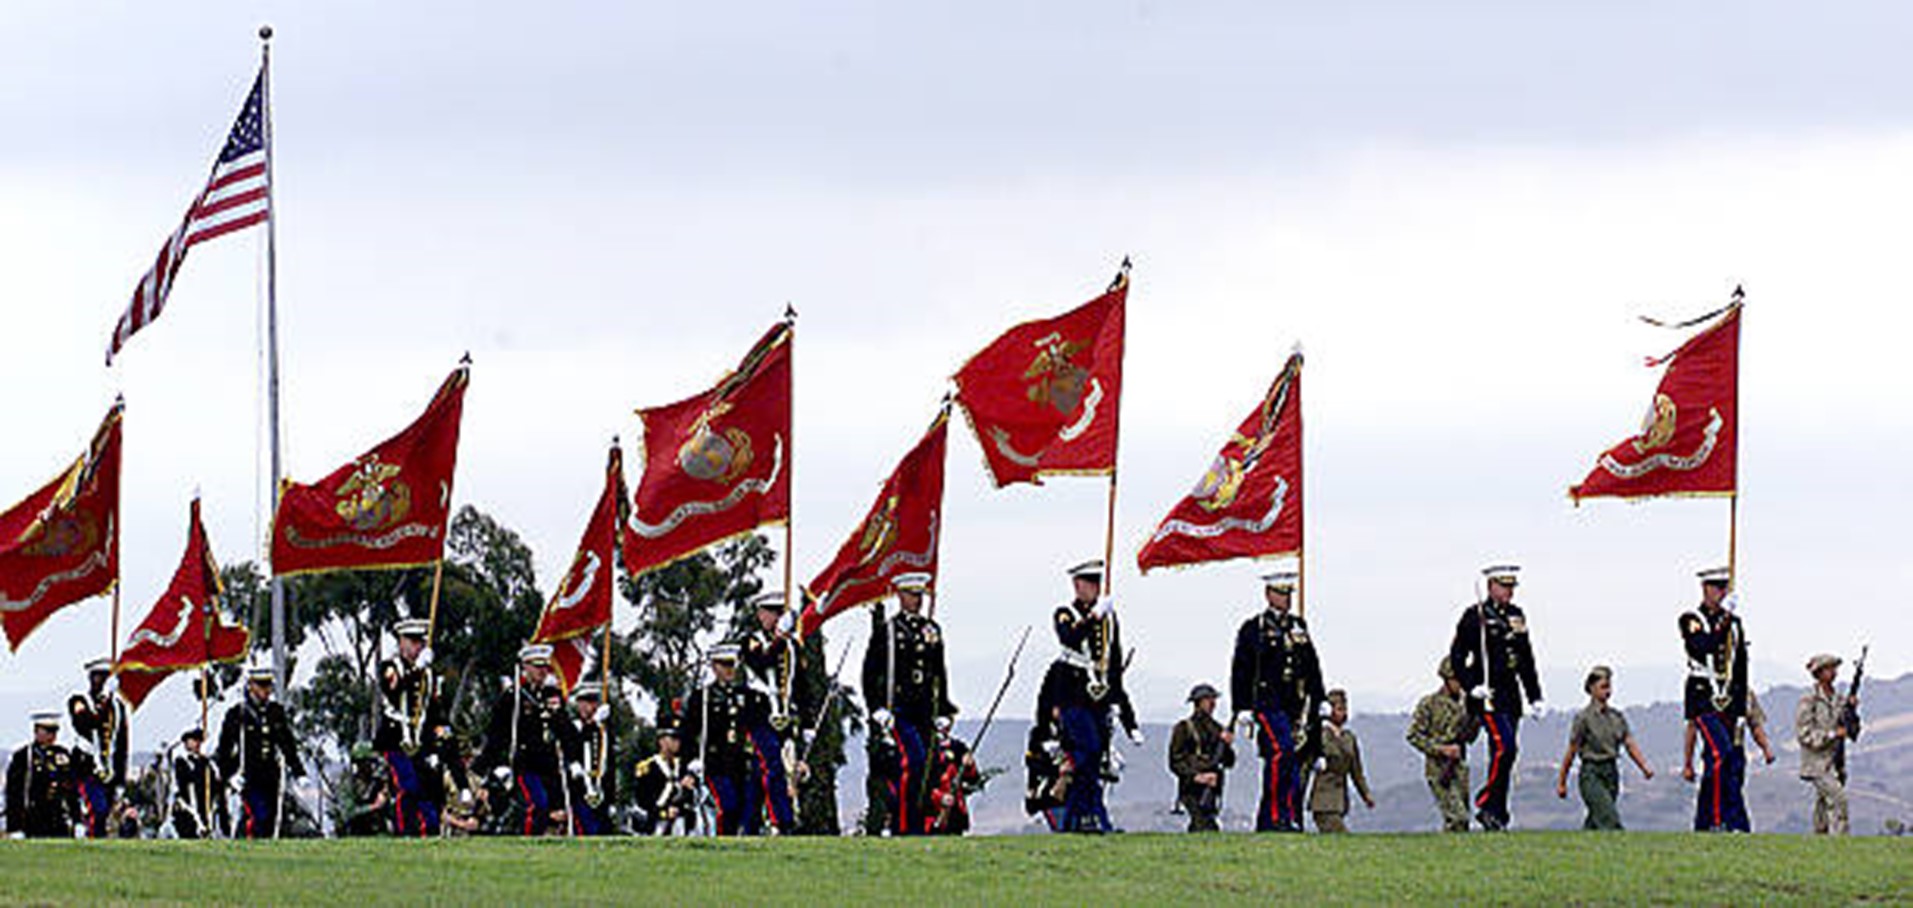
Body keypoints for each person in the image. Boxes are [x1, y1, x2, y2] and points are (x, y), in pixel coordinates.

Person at [1034, 560, 1139, 834]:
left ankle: (1083, 817)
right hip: (1072, 695)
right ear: (1077, 585)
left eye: (1096, 584)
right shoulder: (1065, 613)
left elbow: (1112, 664)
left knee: (1096, 757)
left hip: (1099, 697)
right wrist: (1094, 616)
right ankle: (1084, 815)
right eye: (1087, 583)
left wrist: (1127, 714)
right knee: (1088, 750)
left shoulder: (1109, 620)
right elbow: (1069, 638)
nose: (1093, 589)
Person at [1447, 563, 1542, 832]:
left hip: (1511, 695)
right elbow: (1457, 656)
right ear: (1491, 587)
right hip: (1488, 696)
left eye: (1512, 587)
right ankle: (1487, 802)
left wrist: (1534, 695)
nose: (1509, 592)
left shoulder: (1516, 615)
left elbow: (1525, 657)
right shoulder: (1474, 615)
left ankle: (1496, 814)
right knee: (1506, 748)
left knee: (1504, 756)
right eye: (1504, 586)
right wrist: (1471, 685)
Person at [862, 572, 957, 836]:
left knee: (929, 766)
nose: (917, 601)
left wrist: (944, 710)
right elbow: (871, 672)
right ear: (900, 596)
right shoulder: (889, 631)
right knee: (912, 761)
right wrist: (876, 707)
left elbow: (939, 671)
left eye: (920, 596)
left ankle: (920, 822)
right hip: (899, 708)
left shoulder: (931, 629)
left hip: (925, 709)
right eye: (912, 595)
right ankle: (904, 825)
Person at [1230, 569, 1324, 833]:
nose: (1287, 599)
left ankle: (1282, 817)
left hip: (1293, 704)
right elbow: (1241, 669)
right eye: (1282, 593)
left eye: (1289, 594)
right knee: (1281, 753)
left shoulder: (1298, 626)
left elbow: (1311, 666)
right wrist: (1242, 707)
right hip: (1266, 703)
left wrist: (1320, 697)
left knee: (1288, 759)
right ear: (1269, 595)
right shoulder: (1254, 628)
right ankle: (1275, 816)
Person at [375, 618, 466, 837]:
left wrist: (444, 734)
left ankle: (429, 830)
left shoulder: (429, 676)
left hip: (421, 738)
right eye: (412, 641)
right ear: (401, 642)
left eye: (420, 642)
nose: (417, 647)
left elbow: (433, 711)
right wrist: (417, 669)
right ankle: (403, 832)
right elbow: (395, 690)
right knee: (408, 786)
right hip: (395, 739)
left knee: (428, 789)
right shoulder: (389, 668)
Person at [1678, 566, 1751, 832]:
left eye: (1724, 588)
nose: (1721, 593)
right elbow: (1702, 646)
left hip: (1729, 698)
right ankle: (1719, 820)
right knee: (1722, 753)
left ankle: (1705, 821)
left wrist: (1741, 709)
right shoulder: (1691, 619)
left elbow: (1740, 665)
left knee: (1719, 764)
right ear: (1705, 589)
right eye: (1717, 588)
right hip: (1702, 697)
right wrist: (1725, 620)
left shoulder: (1735, 624)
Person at [477, 643, 573, 836]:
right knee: (536, 805)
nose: (542, 672)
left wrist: (558, 715)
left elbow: (566, 733)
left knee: (559, 813)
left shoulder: (552, 695)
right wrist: (491, 764)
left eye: (545, 667)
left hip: (550, 766)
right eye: (537, 666)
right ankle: (528, 842)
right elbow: (497, 733)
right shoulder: (514, 696)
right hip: (525, 764)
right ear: (525, 667)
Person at [682, 643, 769, 836]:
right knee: (727, 806)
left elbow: (761, 720)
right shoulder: (702, 698)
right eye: (723, 665)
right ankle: (722, 843)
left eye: (732, 665)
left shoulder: (746, 696)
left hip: (740, 762)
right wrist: (688, 766)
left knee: (746, 810)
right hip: (715, 763)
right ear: (714, 666)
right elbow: (688, 734)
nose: (729, 670)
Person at [1553, 666, 1653, 830]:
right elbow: (1571, 750)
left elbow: (1629, 743)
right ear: (1592, 688)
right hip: (1591, 773)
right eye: (1603, 687)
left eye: (1609, 687)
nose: (1607, 691)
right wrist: (1562, 782)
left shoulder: (1616, 717)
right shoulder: (1583, 718)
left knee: (1596, 821)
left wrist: (1644, 767)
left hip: (1611, 772)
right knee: (1608, 817)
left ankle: (1582, 850)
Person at [215, 666, 306, 839]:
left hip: (271, 775)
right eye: (261, 685)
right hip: (248, 775)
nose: (266, 690)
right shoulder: (237, 714)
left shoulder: (275, 712)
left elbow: (287, 744)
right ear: (251, 686)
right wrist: (228, 775)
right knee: (258, 816)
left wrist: (298, 772)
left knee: (272, 818)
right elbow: (224, 749)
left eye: (268, 686)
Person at [741, 591, 804, 834]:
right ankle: (783, 821)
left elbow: (801, 685)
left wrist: (806, 723)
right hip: (759, 716)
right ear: (760, 615)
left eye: (780, 613)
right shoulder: (751, 641)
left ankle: (750, 826)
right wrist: (779, 639)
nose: (776, 618)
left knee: (763, 774)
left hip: (785, 717)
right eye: (772, 613)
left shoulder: (792, 646)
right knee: (774, 767)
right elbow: (761, 662)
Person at [1407, 658, 1473, 832]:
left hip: (1460, 767)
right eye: (1457, 679)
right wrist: (1441, 749)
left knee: (1463, 821)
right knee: (1457, 817)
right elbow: (1413, 736)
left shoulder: (1468, 705)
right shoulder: (1429, 704)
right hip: (1439, 768)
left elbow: (1471, 736)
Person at [67, 656, 129, 838]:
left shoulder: (118, 707)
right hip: (86, 767)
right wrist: (104, 704)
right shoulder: (79, 701)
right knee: (97, 810)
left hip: (108, 769)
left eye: (105, 678)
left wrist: (120, 778)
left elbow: (121, 744)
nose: (101, 682)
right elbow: (86, 723)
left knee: (104, 814)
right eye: (98, 677)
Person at [1796, 653, 1854, 836]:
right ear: (1819, 673)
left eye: (1834, 668)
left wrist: (1852, 712)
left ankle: (1820, 843)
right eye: (1829, 668)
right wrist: (1831, 735)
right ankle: (1840, 844)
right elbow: (1804, 734)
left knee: (1823, 805)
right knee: (1838, 800)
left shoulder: (1839, 700)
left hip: (1835, 762)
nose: (1833, 672)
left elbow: (1852, 730)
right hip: (1817, 764)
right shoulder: (1809, 700)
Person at [1168, 683, 1235, 832]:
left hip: (1213, 783)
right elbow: (1175, 761)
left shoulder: (1218, 729)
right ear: (1197, 702)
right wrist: (1196, 776)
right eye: (1208, 699)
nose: (1212, 703)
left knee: (1207, 821)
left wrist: (1227, 745)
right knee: (1202, 822)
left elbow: (1229, 762)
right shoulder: (1184, 728)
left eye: (1213, 699)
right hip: (1191, 785)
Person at [6, 710, 79, 838]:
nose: (52, 736)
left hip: (58, 817)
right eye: (48, 731)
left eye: (54, 731)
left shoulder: (62, 754)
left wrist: (77, 819)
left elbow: (71, 790)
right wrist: (15, 826)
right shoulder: (24, 756)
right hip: (33, 817)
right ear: (36, 731)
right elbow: (14, 793)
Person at [1309, 689, 1374, 834]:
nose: (1343, 713)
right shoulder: (1319, 735)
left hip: (1340, 801)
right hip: (1323, 801)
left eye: (1344, 709)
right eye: (1339, 709)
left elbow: (1356, 771)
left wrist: (1366, 795)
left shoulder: (1348, 738)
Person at [562, 683, 616, 836]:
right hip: (579, 791)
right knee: (585, 830)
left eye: (593, 702)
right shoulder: (573, 727)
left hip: (600, 791)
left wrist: (611, 798)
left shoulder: (604, 732)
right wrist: (592, 724)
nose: (589, 707)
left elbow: (610, 765)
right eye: (585, 702)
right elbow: (574, 746)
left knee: (603, 832)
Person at [633, 716, 696, 836]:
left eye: (678, 739)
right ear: (661, 741)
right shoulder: (649, 767)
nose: (676, 743)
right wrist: (664, 812)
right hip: (655, 822)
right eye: (672, 738)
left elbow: (689, 799)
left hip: (679, 822)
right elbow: (644, 799)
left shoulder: (682, 766)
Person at [925, 716, 982, 835]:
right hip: (932, 809)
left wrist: (969, 766)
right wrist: (940, 797)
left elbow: (974, 779)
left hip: (955, 807)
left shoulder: (959, 747)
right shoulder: (926, 749)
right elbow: (921, 782)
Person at [170, 726, 225, 839]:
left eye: (198, 740)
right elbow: (181, 786)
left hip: (207, 807)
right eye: (193, 740)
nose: (197, 743)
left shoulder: (208, 764)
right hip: (188, 809)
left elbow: (216, 784)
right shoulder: (181, 762)